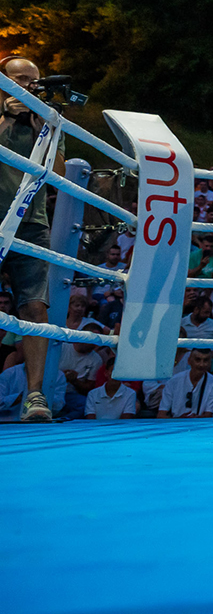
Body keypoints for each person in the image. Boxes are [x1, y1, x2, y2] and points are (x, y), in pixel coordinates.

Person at [0, 55, 63, 422]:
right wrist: (5, 115)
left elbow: (59, 176)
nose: (30, 86)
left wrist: (44, 129)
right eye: (21, 79)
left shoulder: (49, 119)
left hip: (31, 222)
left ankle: (35, 396)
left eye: (34, 80)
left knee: (35, 308)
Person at [157, 348, 213, 419]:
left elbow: (208, 416)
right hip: (176, 423)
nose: (201, 364)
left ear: (210, 362)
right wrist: (179, 419)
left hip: (199, 424)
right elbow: (161, 415)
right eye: (197, 360)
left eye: (205, 360)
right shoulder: (173, 381)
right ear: (189, 361)